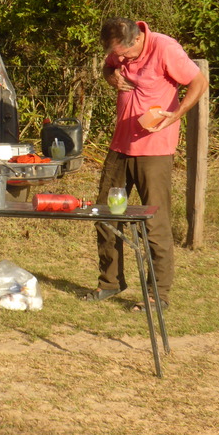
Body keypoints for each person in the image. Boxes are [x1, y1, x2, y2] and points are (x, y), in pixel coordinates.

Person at [83, 17, 208, 310]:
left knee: (154, 221)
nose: (121, 58)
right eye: (118, 54)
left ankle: (157, 295)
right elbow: (109, 66)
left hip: (154, 150)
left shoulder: (165, 48)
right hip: (120, 145)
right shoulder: (120, 45)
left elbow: (199, 82)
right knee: (105, 213)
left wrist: (176, 115)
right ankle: (110, 283)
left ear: (138, 39)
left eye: (124, 54)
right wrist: (109, 74)